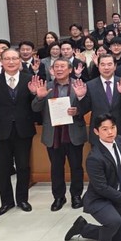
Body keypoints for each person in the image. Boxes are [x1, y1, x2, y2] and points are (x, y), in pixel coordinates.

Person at [0, 48, 37, 216]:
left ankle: (22, 199)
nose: (11, 62)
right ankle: (6, 202)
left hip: (23, 129)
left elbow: (36, 107)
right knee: (2, 169)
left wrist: (35, 94)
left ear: (20, 61)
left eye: (14, 58)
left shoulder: (29, 79)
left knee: (23, 166)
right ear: (1, 62)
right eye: (7, 59)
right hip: (0, 130)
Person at [31, 58, 88, 211]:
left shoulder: (79, 85)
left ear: (70, 70)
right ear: (52, 70)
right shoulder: (46, 86)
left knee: (76, 167)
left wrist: (78, 110)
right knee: (56, 168)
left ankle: (76, 195)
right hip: (53, 134)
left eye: (63, 66)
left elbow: (87, 106)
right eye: (56, 67)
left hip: (73, 133)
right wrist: (40, 97)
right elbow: (35, 109)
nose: (59, 69)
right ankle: (58, 197)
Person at [77, 54, 121, 146]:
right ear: (98, 66)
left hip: (119, 132)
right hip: (98, 134)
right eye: (103, 64)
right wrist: (81, 97)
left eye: (109, 64)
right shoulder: (90, 85)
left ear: (115, 66)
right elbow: (83, 110)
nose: (106, 68)